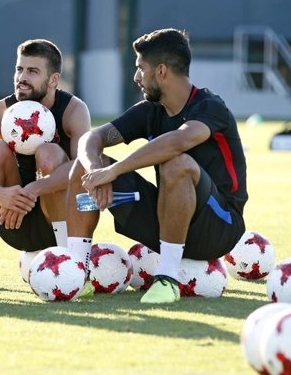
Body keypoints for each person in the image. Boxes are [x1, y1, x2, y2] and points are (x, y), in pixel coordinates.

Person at [66, 28, 247, 304]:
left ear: (161, 71)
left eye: (140, 68)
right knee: (83, 163)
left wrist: (113, 172)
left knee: (176, 163)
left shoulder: (210, 107)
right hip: (167, 220)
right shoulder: (150, 111)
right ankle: (77, 273)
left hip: (219, 227)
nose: (136, 77)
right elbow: (94, 137)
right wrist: (95, 171)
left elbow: (179, 141)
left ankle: (167, 279)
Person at [0, 39, 91, 285]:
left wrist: (33, 189)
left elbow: (82, 171)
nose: (22, 77)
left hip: (59, 221)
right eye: (19, 69)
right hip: (12, 219)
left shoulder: (74, 110)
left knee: (49, 153)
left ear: (53, 79)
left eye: (32, 71)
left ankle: (70, 264)